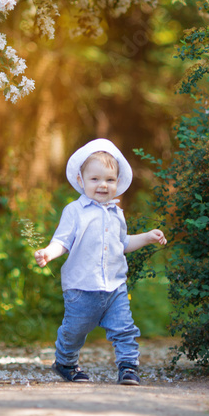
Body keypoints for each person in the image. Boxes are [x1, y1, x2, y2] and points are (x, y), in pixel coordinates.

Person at [34, 138, 167, 386]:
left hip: (115, 287)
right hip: (81, 288)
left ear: (118, 183)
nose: (103, 185)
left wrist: (147, 237)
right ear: (81, 181)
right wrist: (48, 253)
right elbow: (62, 241)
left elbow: (122, 244)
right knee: (74, 332)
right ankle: (65, 362)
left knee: (124, 329)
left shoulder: (117, 214)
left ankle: (128, 367)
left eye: (109, 180)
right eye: (95, 179)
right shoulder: (74, 211)